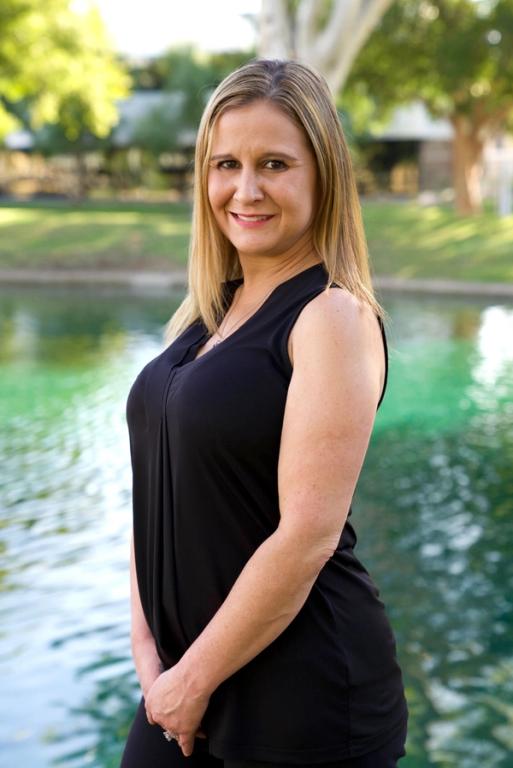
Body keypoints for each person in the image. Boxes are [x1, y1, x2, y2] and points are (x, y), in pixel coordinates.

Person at [121, 58, 409, 768]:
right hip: (185, 682)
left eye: (274, 163)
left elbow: (306, 536)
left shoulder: (330, 315)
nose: (244, 190)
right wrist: (149, 654)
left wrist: (189, 681)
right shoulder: (200, 320)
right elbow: (154, 492)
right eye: (226, 164)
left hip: (302, 700)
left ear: (323, 175)